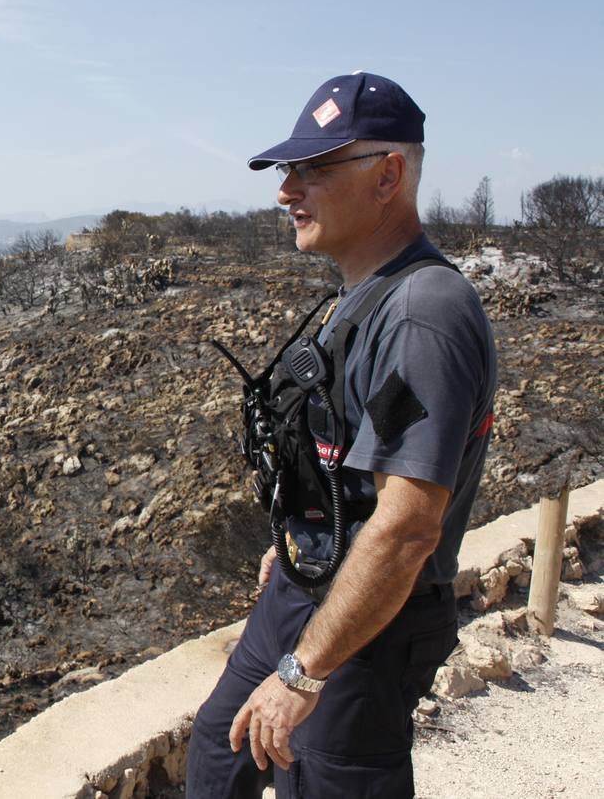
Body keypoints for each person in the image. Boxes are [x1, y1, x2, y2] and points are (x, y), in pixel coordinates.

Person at [184, 72, 497, 798]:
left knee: (320, 781)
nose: (287, 190)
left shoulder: (424, 311)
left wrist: (303, 673)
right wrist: (303, 534)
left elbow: (409, 526)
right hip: (309, 582)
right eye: (290, 170)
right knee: (219, 747)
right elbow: (350, 460)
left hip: (372, 617)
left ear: (388, 174)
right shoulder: (364, 294)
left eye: (315, 169)